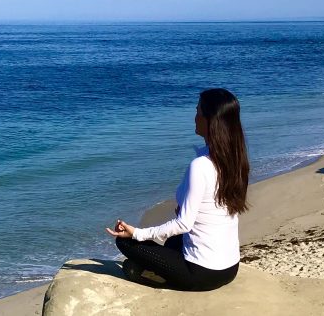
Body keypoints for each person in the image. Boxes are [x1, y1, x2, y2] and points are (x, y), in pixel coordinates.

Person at [105, 88, 249, 291]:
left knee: (126, 243)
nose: (194, 117)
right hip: (230, 267)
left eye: (198, 111)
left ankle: (151, 275)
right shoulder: (235, 159)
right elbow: (214, 207)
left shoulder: (201, 166)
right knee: (172, 241)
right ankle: (150, 269)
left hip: (203, 273)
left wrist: (137, 233)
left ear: (210, 120)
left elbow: (184, 223)